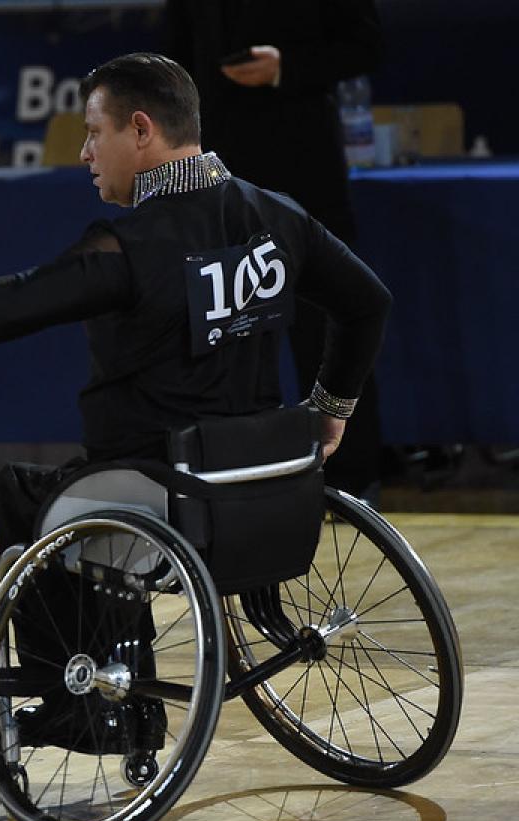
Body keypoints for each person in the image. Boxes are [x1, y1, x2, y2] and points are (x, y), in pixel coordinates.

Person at [0, 52, 391, 749]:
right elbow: (369, 301)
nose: (84, 152)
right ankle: (128, 699)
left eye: (95, 133)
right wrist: (333, 407)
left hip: (163, 495)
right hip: (265, 490)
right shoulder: (276, 215)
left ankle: (90, 707)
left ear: (141, 129)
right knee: (95, 494)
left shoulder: (133, 246)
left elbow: (11, 302)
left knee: (20, 495)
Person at [164, 0, 386, 499]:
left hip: (304, 162)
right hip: (216, 167)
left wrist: (286, 65)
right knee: (222, 324)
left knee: (324, 320)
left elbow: (366, 44)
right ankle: (226, 472)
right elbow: (173, 55)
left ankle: (345, 476)